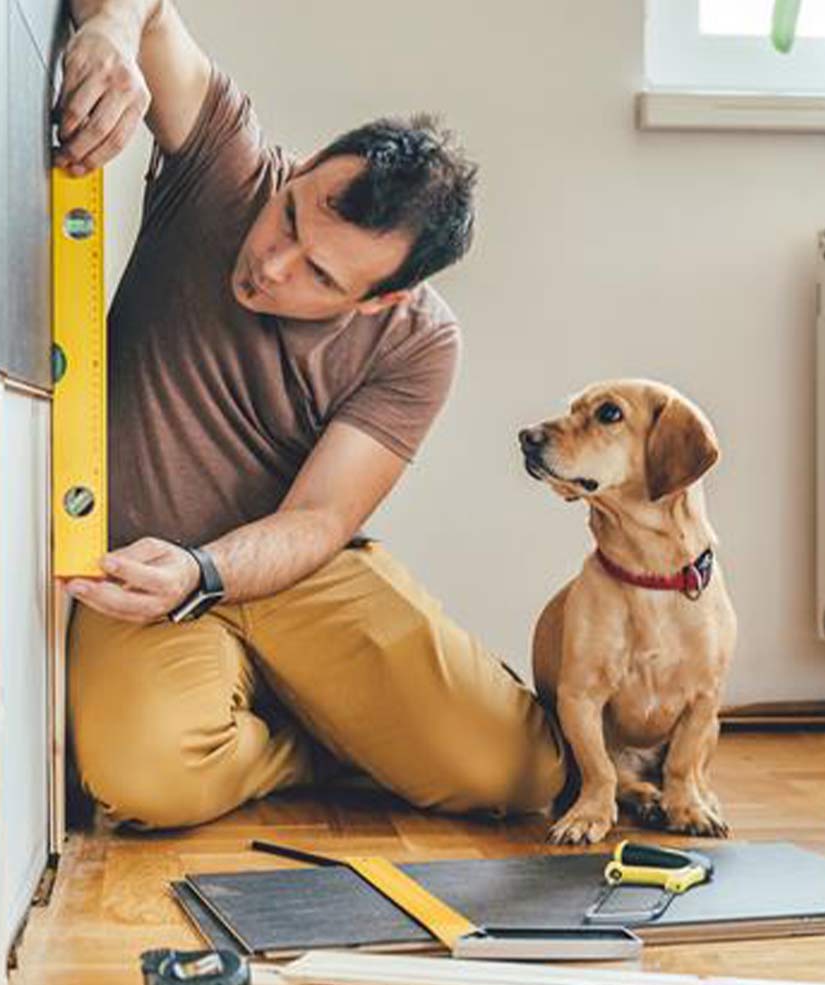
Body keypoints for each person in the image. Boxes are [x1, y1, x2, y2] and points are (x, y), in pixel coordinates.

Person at [53, 0, 565, 828]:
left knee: (519, 772)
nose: (271, 264)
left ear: (380, 299)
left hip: (295, 569)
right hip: (143, 573)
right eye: (291, 215)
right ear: (306, 167)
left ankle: (341, 722)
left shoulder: (419, 342)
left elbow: (322, 518)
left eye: (320, 277)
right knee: (145, 781)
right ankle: (318, 743)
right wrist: (108, 32)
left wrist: (207, 569)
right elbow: (145, 9)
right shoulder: (227, 166)